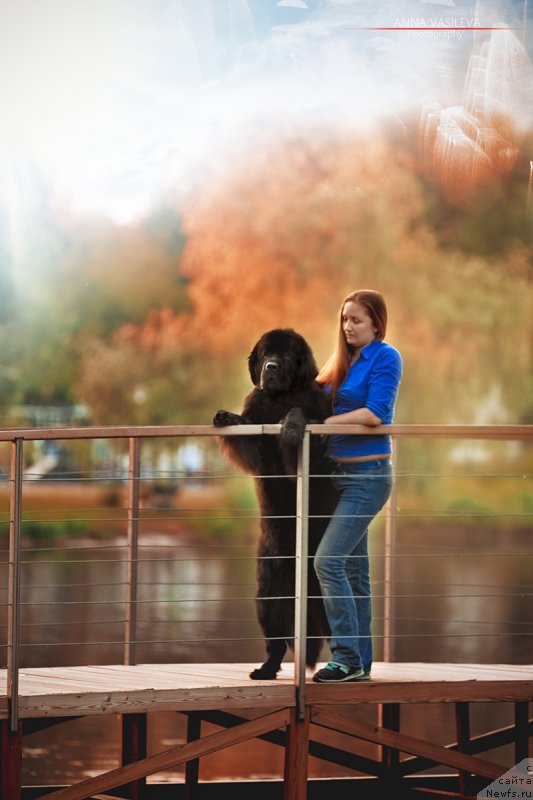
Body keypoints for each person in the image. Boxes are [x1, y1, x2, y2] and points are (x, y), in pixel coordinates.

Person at [312, 289, 402, 682]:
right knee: (352, 572)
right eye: (344, 319)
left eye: (357, 320)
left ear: (376, 323)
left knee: (327, 561)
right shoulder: (340, 361)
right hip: (337, 478)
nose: (348, 327)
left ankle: (345, 656)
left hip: (368, 477)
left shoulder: (386, 357)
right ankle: (360, 662)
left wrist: (325, 426)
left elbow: (377, 414)